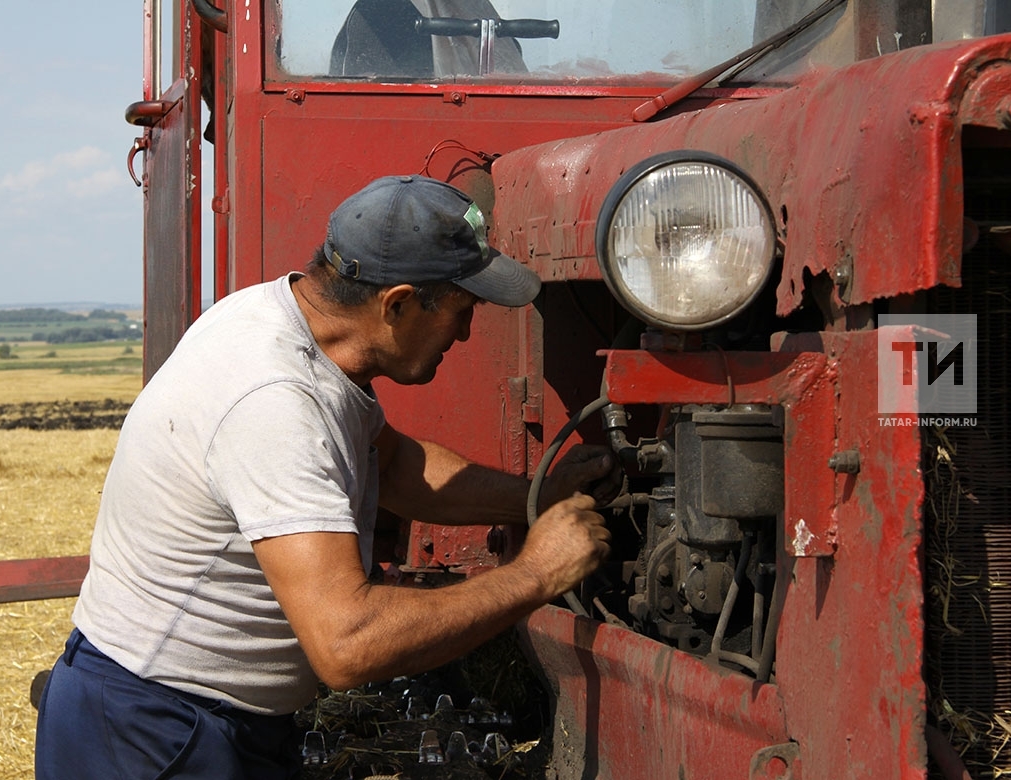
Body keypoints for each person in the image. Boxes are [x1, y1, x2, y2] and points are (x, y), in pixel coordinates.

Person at [34, 174, 618, 779]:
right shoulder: (274, 401)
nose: (466, 335)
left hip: (200, 718)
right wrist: (537, 572)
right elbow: (347, 643)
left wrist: (537, 497)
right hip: (155, 732)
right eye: (461, 311)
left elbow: (388, 464)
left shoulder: (276, 316)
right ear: (396, 303)